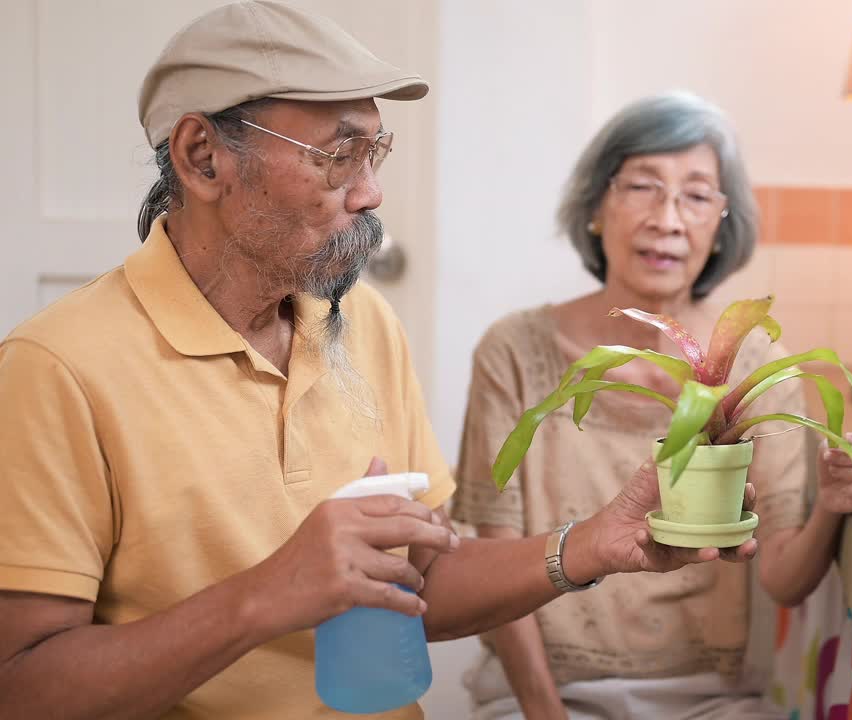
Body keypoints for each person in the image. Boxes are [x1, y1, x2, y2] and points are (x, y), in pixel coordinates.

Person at [0, 5, 756, 719]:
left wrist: (587, 545)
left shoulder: (361, 321)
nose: (371, 192)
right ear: (203, 158)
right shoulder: (54, 369)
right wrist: (267, 595)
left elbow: (420, 578)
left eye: (375, 151)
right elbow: (21, 685)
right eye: (338, 156)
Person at [449, 92, 852, 720]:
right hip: (540, 696)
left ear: (721, 225)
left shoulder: (754, 362)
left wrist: (834, 505)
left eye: (697, 194)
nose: (668, 218)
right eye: (642, 186)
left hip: (712, 700)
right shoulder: (513, 352)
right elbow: (497, 556)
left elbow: (782, 576)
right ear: (598, 205)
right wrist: (547, 713)